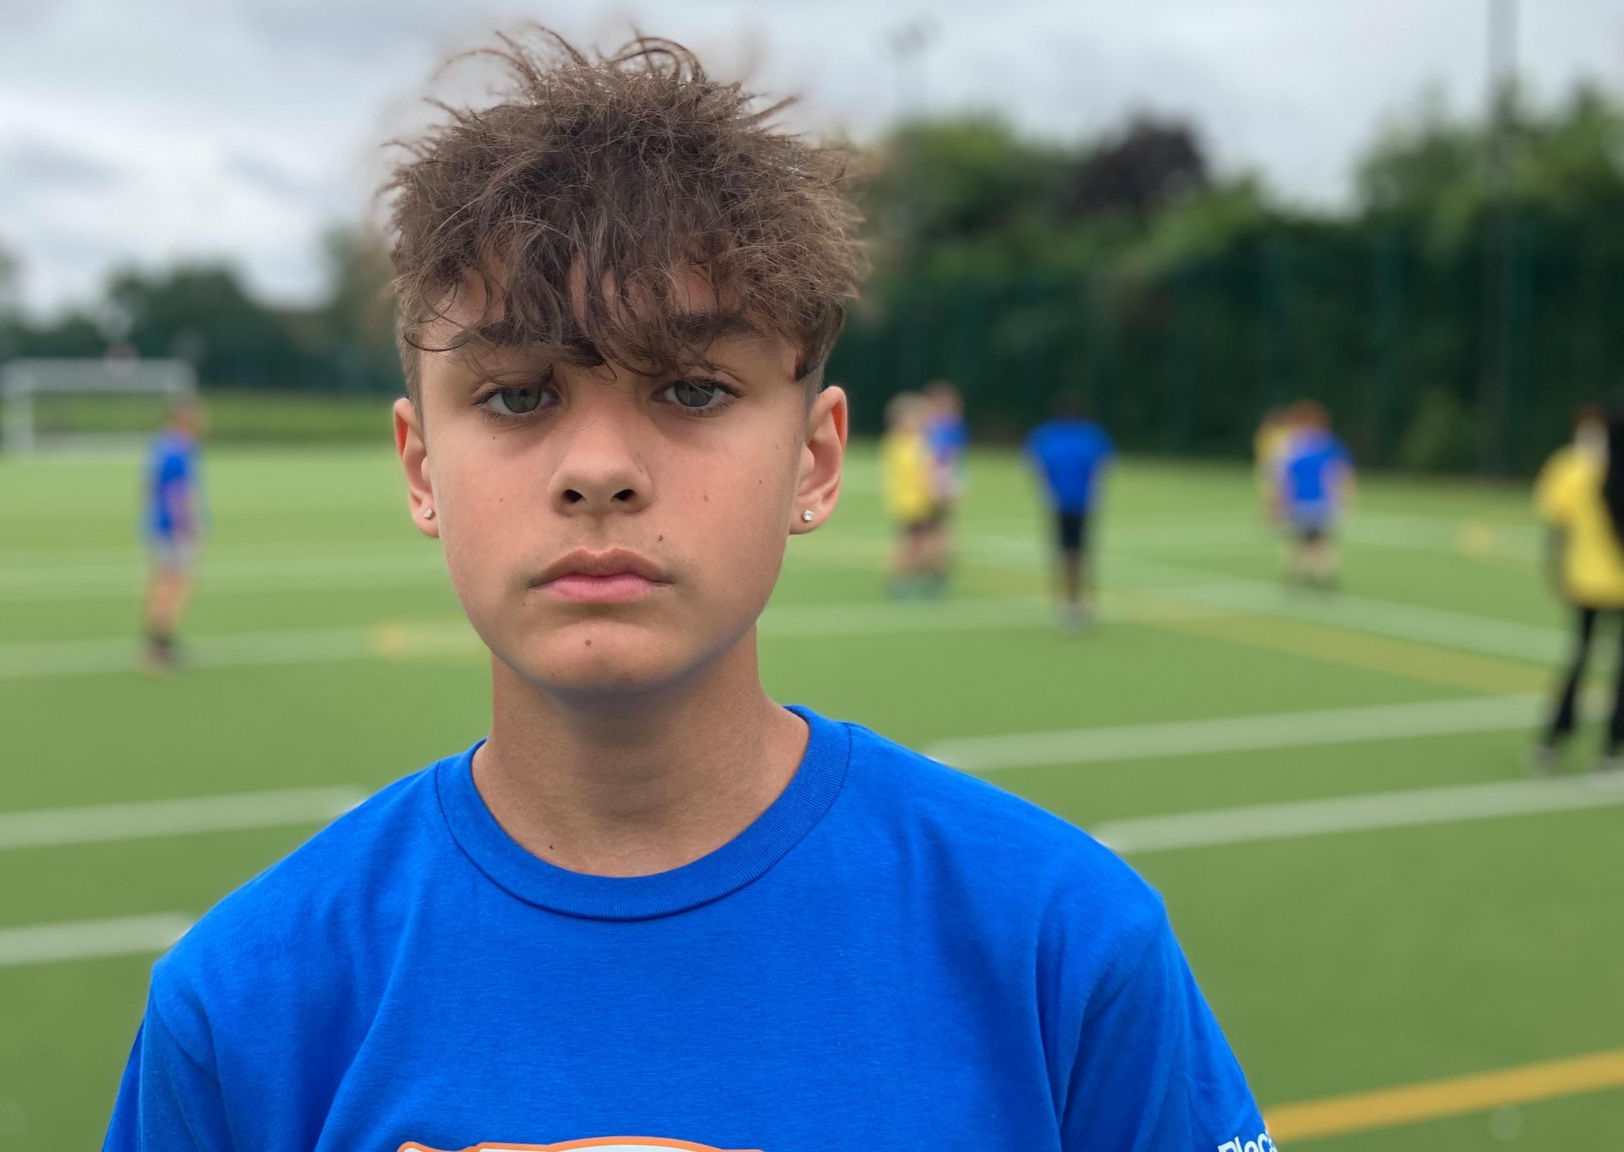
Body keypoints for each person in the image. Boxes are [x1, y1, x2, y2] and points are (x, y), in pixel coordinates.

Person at [103, 34, 1264, 1152]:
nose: (598, 467)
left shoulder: (1062, 947)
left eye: (693, 390)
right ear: (420, 469)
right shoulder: (241, 1008)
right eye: (515, 396)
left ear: (814, 461)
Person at [1532, 405, 1624, 775]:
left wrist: (1556, 570)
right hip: (1604, 581)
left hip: (1586, 580)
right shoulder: (1578, 468)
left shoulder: (1572, 467)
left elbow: (1558, 526)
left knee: (1579, 660)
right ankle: (1611, 749)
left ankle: (1553, 739)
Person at [1025, 391, 1115, 633]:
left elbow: (1037, 467)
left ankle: (1070, 602)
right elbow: (1102, 467)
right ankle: (1074, 602)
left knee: (1068, 554)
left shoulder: (1049, 435)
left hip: (1065, 503)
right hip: (1078, 503)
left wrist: (1045, 492)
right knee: (1077, 554)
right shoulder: (1088, 435)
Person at [141, 396, 204, 673]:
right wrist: (187, 528)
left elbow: (149, 488)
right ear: (184, 417)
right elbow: (179, 494)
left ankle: (158, 642)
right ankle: (160, 647)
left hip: (158, 525)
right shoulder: (180, 449)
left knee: (162, 583)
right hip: (174, 529)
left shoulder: (160, 445)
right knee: (176, 584)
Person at [1270, 401, 1354, 590]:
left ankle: (1299, 577)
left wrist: (1279, 504)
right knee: (1318, 542)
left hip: (1305, 502)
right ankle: (1322, 577)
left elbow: (1284, 478)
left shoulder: (1292, 446)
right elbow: (1340, 473)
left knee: (1302, 541)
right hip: (1317, 502)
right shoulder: (1326, 444)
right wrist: (1343, 500)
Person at [882, 391, 944, 597]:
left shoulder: (896, 442)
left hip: (909, 501)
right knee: (915, 543)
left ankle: (921, 577)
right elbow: (925, 473)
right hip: (916, 502)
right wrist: (936, 490)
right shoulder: (913, 444)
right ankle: (906, 580)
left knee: (919, 541)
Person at [923, 380, 969, 581]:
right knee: (936, 522)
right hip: (942, 475)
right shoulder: (943, 424)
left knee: (936, 522)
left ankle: (937, 564)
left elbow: (946, 454)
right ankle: (935, 560)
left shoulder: (947, 426)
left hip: (942, 476)